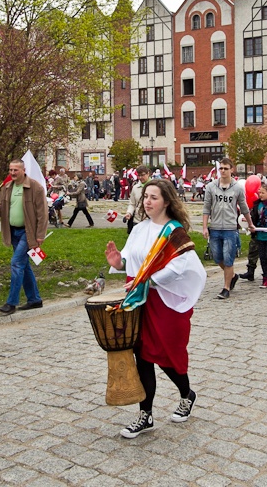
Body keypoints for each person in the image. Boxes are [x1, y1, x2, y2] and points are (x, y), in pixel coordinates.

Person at [104, 179, 206, 439]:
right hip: (139, 301)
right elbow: (130, 258)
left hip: (165, 303)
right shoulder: (139, 229)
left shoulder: (174, 232)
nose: (147, 202)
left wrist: (149, 280)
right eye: (145, 197)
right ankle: (145, 415)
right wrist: (118, 263)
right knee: (143, 358)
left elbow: (180, 268)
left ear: (167, 202)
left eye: (153, 197)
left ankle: (187, 394)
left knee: (168, 356)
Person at [0, 160, 48, 315]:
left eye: (16, 170)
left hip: (27, 233)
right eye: (10, 170)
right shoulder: (7, 187)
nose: (12, 173)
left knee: (16, 264)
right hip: (13, 232)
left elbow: (43, 213)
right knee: (24, 266)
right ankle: (34, 299)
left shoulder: (35, 187)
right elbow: (2, 208)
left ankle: (11, 303)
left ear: (23, 170)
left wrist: (40, 236)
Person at [202, 158, 254, 300]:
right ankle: (232, 276)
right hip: (216, 227)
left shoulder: (237, 188)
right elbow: (206, 208)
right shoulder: (211, 187)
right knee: (218, 257)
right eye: (221, 168)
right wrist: (205, 227)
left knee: (228, 258)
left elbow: (244, 207)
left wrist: (250, 223)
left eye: (226, 168)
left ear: (231, 169)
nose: (223, 171)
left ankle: (226, 287)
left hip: (230, 228)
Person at [124, 166, 151, 234]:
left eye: (142, 175)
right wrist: (129, 213)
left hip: (151, 220)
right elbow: (132, 203)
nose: (140, 177)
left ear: (148, 174)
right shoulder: (135, 188)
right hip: (137, 221)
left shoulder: (155, 186)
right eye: (138, 175)